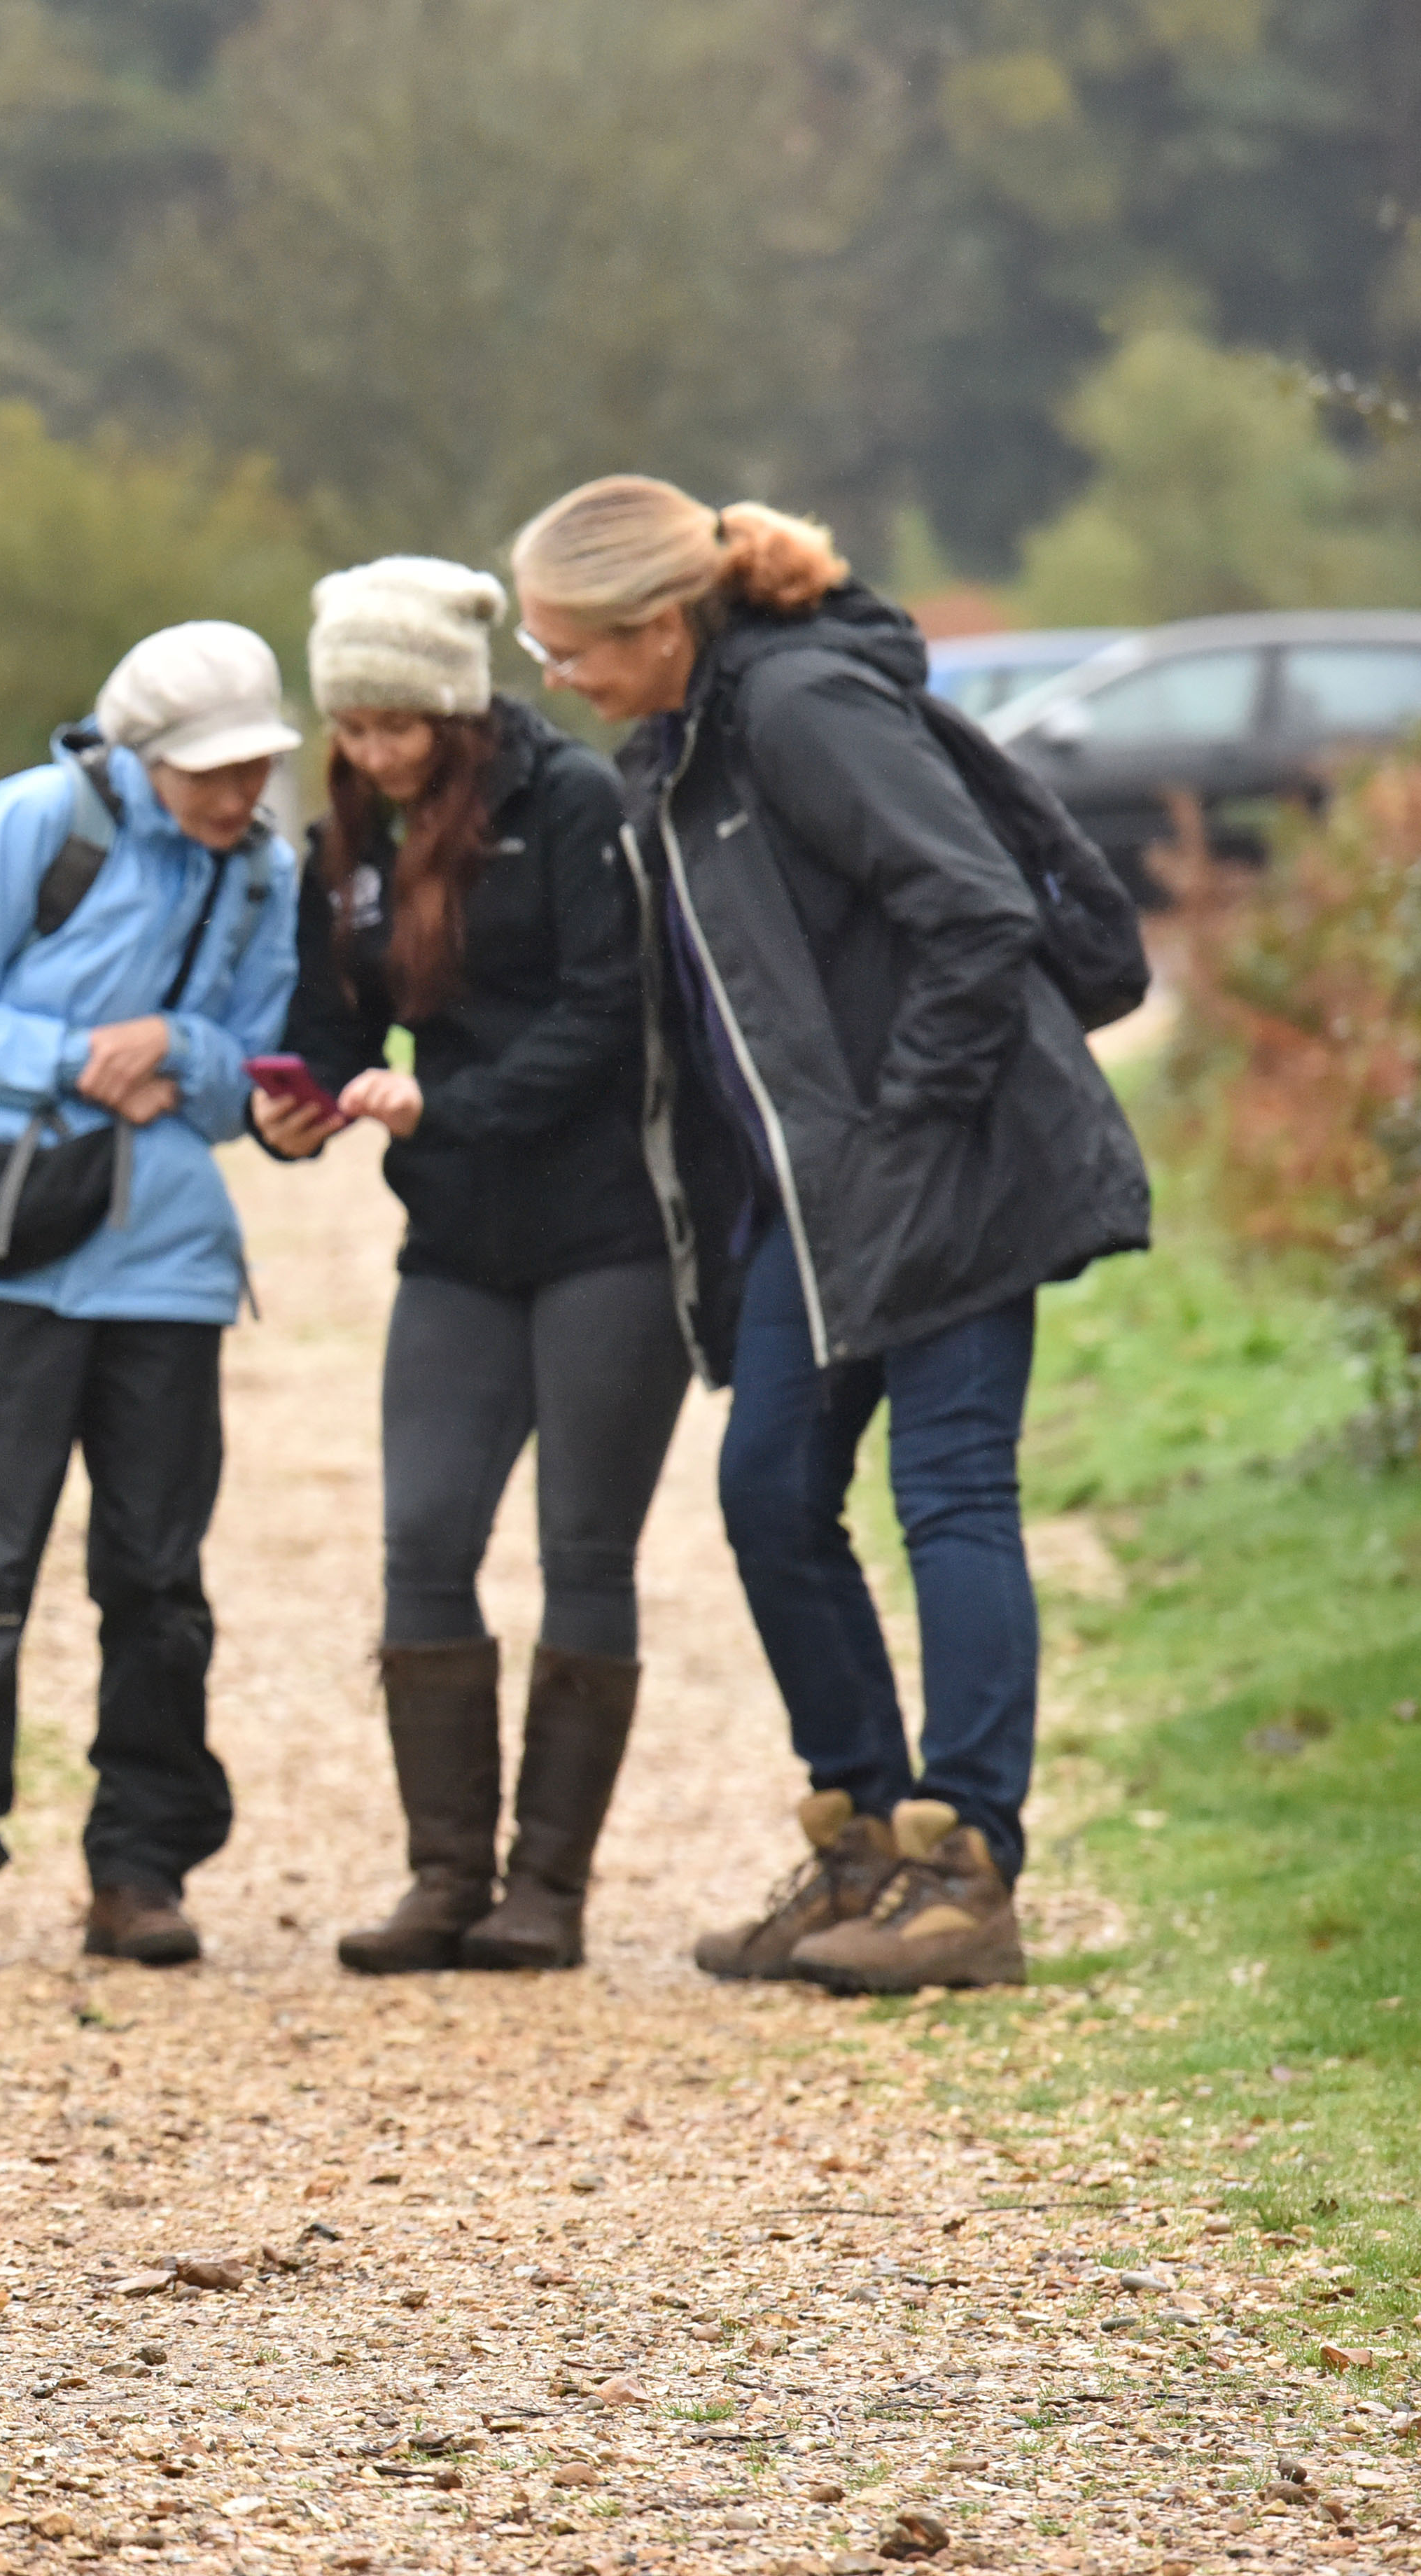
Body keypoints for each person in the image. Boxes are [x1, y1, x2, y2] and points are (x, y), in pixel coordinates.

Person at [510, 475, 1147, 1995]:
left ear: (663, 624)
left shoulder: (798, 707)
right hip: (828, 1201)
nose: (558, 682)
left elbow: (979, 911)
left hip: (958, 1161)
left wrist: (905, 1126)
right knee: (773, 1489)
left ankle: (966, 1865)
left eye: (571, 650)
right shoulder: (684, 738)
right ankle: (862, 1837)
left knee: (949, 1493)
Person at [248, 559, 687, 1975]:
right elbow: (334, 1017)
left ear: (452, 706)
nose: (369, 750)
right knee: (425, 1537)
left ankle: (546, 1889)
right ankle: (447, 1875)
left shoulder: (569, 804)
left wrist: (452, 1106)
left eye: (395, 725)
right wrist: (303, 1102)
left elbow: (609, 1014)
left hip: (606, 1227)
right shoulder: (352, 835)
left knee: (582, 1549)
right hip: (458, 1239)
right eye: (351, 726)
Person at [0, 622, 303, 1971]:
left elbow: (259, 1074)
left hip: (170, 1266)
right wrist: (79, 1060)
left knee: (159, 1578)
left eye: (254, 769)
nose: (237, 795)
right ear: (143, 753)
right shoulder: (36, 819)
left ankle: (142, 1870)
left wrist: (178, 1048)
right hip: (0, 1254)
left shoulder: (266, 874)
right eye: (211, 770)